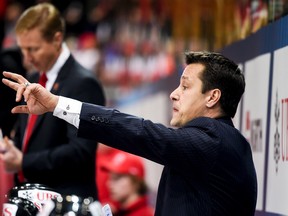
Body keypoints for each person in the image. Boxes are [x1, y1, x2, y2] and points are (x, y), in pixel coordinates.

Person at [1, 51, 258, 216]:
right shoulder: (213, 143)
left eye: (185, 86)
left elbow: (141, 132)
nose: (174, 93)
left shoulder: (213, 141)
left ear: (213, 97)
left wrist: (57, 104)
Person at [0, 2, 105, 199]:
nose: (27, 58)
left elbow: (80, 152)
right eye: (23, 49)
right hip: (31, 201)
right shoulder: (33, 77)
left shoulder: (84, 83)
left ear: (57, 39)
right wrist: (10, 147)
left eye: (33, 49)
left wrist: (24, 161)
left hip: (66, 202)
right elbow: (29, 136)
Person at [101, 151, 154, 216]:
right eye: (109, 178)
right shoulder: (119, 211)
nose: (109, 184)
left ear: (136, 182)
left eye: (117, 178)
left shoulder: (144, 214)